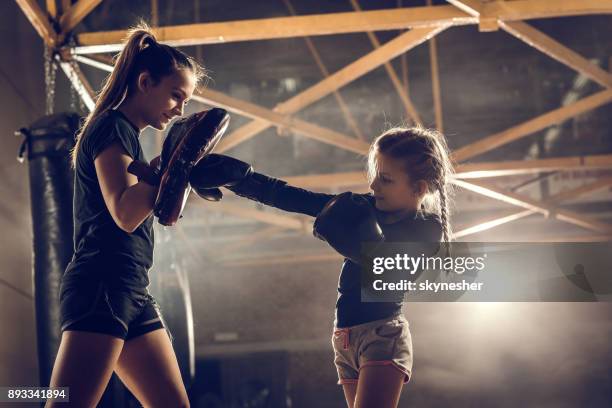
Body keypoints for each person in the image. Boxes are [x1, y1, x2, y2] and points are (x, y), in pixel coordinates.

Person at [188, 126, 454, 408]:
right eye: (374, 175)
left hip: (382, 336)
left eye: (386, 179)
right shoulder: (364, 206)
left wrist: (362, 243)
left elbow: (391, 271)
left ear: (419, 188)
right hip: (344, 338)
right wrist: (244, 181)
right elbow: (298, 198)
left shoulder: (427, 229)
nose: (374, 185)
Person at [47, 23, 204, 408]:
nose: (180, 109)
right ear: (145, 82)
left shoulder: (127, 135)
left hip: (131, 287)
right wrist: (173, 165)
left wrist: (173, 173)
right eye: (175, 95)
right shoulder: (112, 126)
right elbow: (124, 212)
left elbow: (142, 202)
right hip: (103, 283)